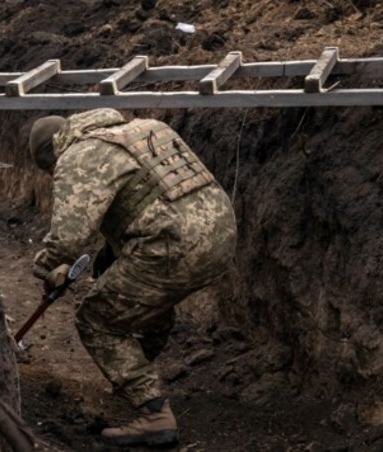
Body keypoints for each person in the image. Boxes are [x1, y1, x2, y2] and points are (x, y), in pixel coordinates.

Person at [29, 108, 237, 447]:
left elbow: (67, 239)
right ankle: (131, 374)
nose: (55, 175)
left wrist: (46, 268)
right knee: (131, 290)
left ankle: (155, 413)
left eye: (51, 171)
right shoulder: (145, 129)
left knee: (97, 319)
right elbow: (147, 199)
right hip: (222, 236)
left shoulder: (77, 156)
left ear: (52, 155)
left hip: (173, 248)